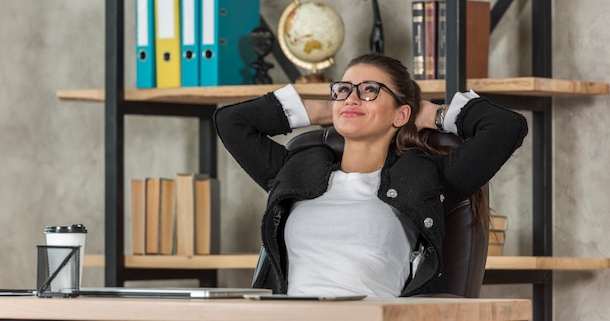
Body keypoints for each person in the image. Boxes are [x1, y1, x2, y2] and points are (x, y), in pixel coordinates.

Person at [214, 53, 527, 297]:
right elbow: (231, 121)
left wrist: (432, 113)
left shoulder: (423, 182)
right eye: (344, 90)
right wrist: (329, 110)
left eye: (369, 91)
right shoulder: (296, 172)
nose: (352, 97)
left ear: (401, 114)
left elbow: (506, 127)